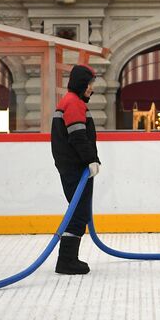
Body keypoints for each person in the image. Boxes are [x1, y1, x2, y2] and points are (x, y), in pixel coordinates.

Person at [50, 64, 101, 275]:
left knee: (79, 211)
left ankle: (68, 258)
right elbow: (78, 136)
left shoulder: (70, 102)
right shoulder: (74, 103)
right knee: (79, 214)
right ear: (81, 84)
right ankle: (66, 260)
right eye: (90, 84)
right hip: (76, 168)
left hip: (73, 168)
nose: (91, 89)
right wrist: (91, 159)